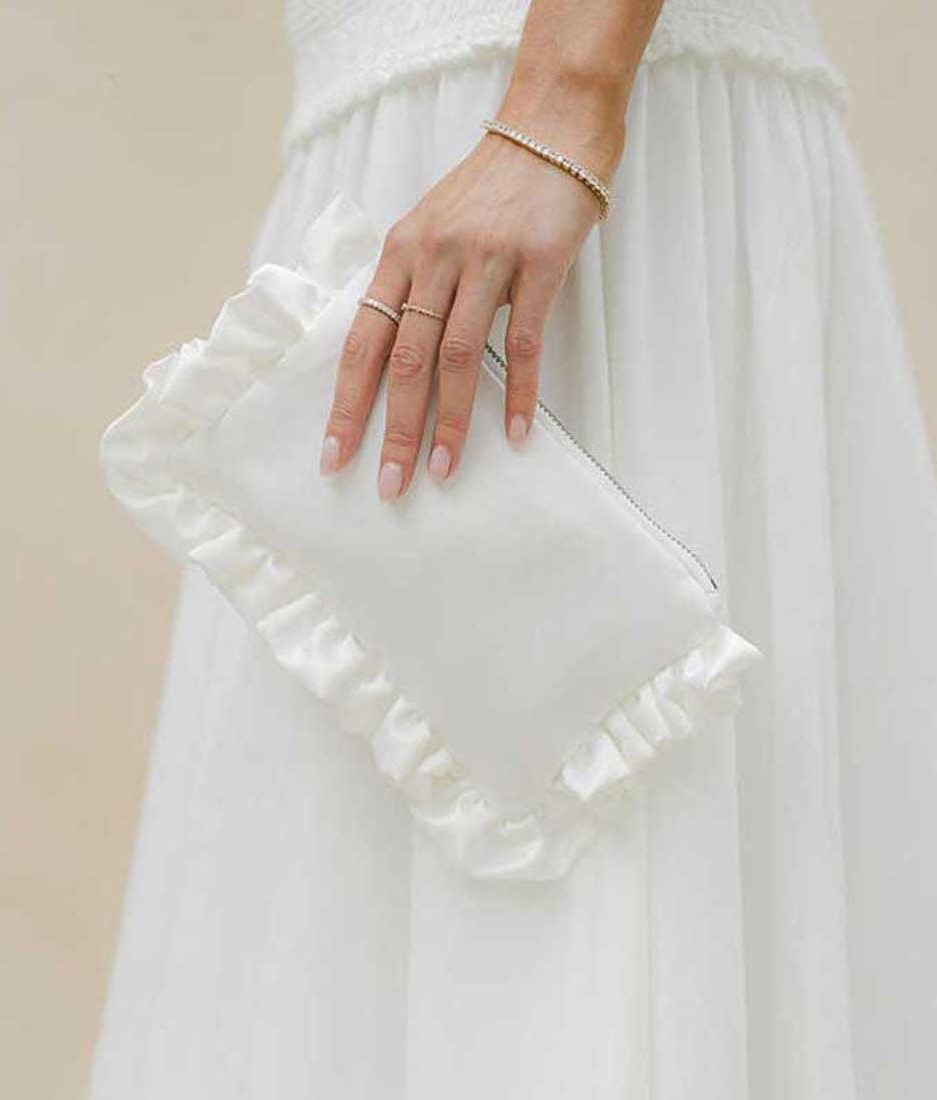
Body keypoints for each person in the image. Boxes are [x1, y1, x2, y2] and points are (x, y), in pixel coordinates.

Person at [89, 1, 937, 1097]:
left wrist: (562, 105)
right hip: (412, 151)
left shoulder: (554, 117)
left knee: (632, 834)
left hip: (576, 136)